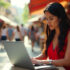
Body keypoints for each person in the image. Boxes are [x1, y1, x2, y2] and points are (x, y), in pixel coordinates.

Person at [31, 2, 70, 70]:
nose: (48, 22)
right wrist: (32, 59)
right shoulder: (50, 34)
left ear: (60, 18)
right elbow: (44, 55)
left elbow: (67, 61)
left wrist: (41, 62)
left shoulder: (68, 34)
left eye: (51, 18)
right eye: (47, 19)